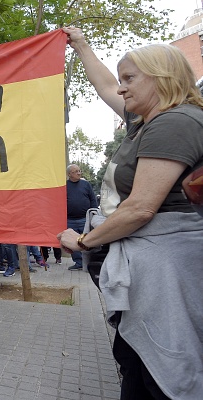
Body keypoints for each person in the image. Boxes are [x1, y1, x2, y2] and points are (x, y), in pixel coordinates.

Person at [58, 27, 203, 400]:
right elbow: (104, 85)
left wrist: (84, 241)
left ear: (162, 77)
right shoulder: (147, 120)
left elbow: (140, 208)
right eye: (122, 79)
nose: (121, 88)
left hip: (163, 271)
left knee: (157, 364)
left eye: (130, 79)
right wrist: (82, 46)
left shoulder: (173, 122)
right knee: (137, 360)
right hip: (150, 265)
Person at [65, 164, 98, 270]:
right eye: (76, 171)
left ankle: (89, 263)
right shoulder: (64, 186)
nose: (79, 173)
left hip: (85, 219)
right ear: (69, 174)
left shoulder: (86, 184)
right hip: (70, 220)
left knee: (87, 241)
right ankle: (78, 263)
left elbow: (93, 199)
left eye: (79, 171)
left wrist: (95, 213)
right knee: (72, 242)